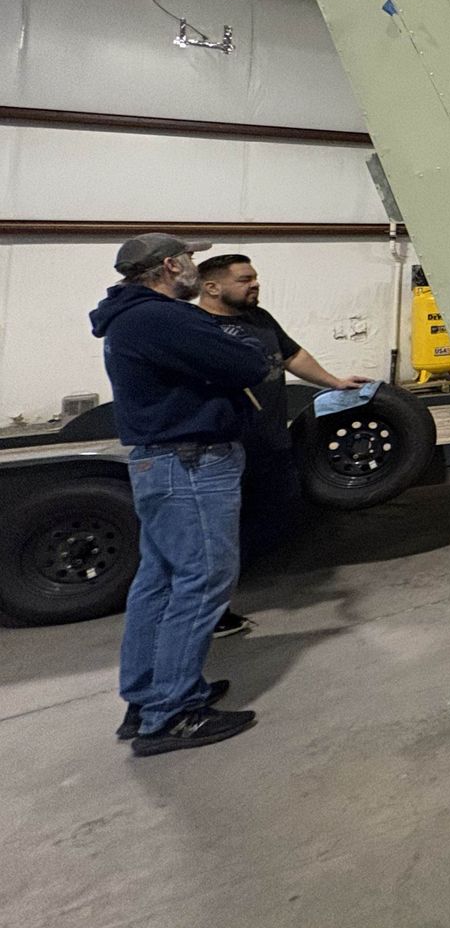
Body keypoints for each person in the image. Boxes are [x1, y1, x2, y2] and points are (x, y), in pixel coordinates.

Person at [89, 232, 267, 756]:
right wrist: (242, 348)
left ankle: (147, 697)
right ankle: (173, 713)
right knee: (203, 579)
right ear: (170, 265)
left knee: (160, 582)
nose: (195, 266)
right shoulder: (163, 317)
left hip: (163, 462)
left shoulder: (130, 317)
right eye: (189, 259)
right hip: (190, 463)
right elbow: (250, 363)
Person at [195, 254, 370, 626]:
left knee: (269, 519)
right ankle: (211, 614)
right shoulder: (196, 328)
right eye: (244, 279)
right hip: (223, 451)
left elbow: (292, 355)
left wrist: (334, 381)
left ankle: (231, 591)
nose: (255, 284)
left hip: (270, 443)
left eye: (255, 277)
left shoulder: (259, 318)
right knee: (217, 537)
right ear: (212, 287)